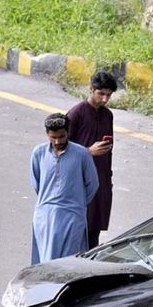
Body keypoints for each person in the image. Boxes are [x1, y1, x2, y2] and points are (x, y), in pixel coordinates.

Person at [30, 113, 99, 264]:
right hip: (45, 217)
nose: (57, 141)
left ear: (68, 132)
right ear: (47, 134)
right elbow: (36, 183)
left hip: (72, 217)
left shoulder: (82, 154)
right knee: (45, 263)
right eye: (53, 137)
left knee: (69, 263)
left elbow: (93, 184)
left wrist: (77, 203)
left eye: (61, 136)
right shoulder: (38, 153)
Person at [66, 71, 116, 249]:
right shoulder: (76, 114)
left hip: (101, 180)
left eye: (108, 95)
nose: (104, 99)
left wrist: (108, 180)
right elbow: (61, 151)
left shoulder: (108, 115)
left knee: (94, 230)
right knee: (79, 230)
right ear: (91, 89)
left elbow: (109, 150)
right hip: (79, 182)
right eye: (101, 94)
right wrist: (88, 152)